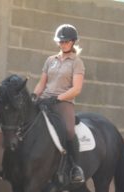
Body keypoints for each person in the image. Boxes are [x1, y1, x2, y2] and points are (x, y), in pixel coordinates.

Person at [33, 24, 85, 183]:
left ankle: (75, 166)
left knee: (69, 131)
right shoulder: (50, 60)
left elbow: (76, 89)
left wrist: (57, 98)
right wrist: (34, 96)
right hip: (45, 100)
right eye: (61, 42)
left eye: (66, 41)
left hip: (63, 102)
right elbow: (42, 83)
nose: (63, 44)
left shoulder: (77, 62)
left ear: (73, 42)